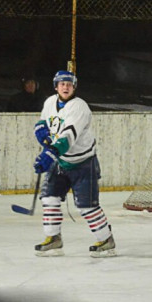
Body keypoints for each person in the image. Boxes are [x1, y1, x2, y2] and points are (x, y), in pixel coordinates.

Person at [32, 70, 116, 257]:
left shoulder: (79, 107)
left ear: (74, 87)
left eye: (69, 84)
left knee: (87, 206)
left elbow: (68, 137)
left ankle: (106, 239)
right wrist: (43, 135)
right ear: (56, 86)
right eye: (62, 84)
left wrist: (50, 153)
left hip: (83, 163)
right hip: (60, 161)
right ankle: (53, 238)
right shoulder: (49, 102)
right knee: (49, 198)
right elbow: (43, 123)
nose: (66, 87)